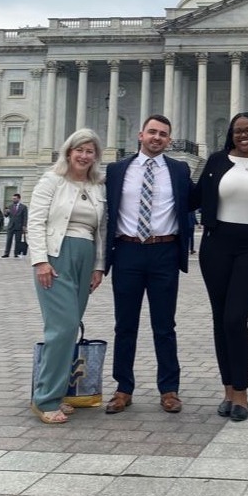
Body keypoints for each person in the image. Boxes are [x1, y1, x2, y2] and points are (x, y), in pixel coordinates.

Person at [104, 114, 194, 414]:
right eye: (152, 132)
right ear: (140, 135)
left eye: (163, 134)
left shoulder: (179, 170)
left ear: (169, 140)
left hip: (164, 251)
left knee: (165, 325)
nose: (157, 138)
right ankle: (122, 388)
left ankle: (169, 389)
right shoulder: (118, 170)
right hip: (128, 250)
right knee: (124, 325)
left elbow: (195, 202)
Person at [194, 113, 248, 422]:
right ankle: (228, 390)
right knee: (221, 318)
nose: (244, 135)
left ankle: (242, 392)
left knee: (235, 318)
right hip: (216, 245)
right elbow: (192, 197)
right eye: (239, 130)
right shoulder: (217, 161)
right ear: (231, 133)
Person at [28, 129, 106, 424]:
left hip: (85, 257)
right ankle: (45, 398)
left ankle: (56, 392)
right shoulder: (52, 180)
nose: (84, 156)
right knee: (62, 327)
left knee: (69, 329)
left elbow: (101, 230)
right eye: (80, 150)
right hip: (56, 256)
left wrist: (98, 266)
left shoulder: (97, 185)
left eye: (90, 151)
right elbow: (35, 222)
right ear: (69, 152)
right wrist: (40, 261)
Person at [2, 192, 28, 258]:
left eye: (15, 199)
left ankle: (16, 253)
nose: (13, 200)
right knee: (8, 240)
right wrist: (6, 212)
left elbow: (25, 217)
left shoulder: (23, 207)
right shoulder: (10, 206)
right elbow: (6, 215)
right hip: (11, 226)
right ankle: (6, 253)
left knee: (18, 241)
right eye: (13, 199)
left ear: (19, 199)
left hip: (19, 226)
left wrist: (24, 226)